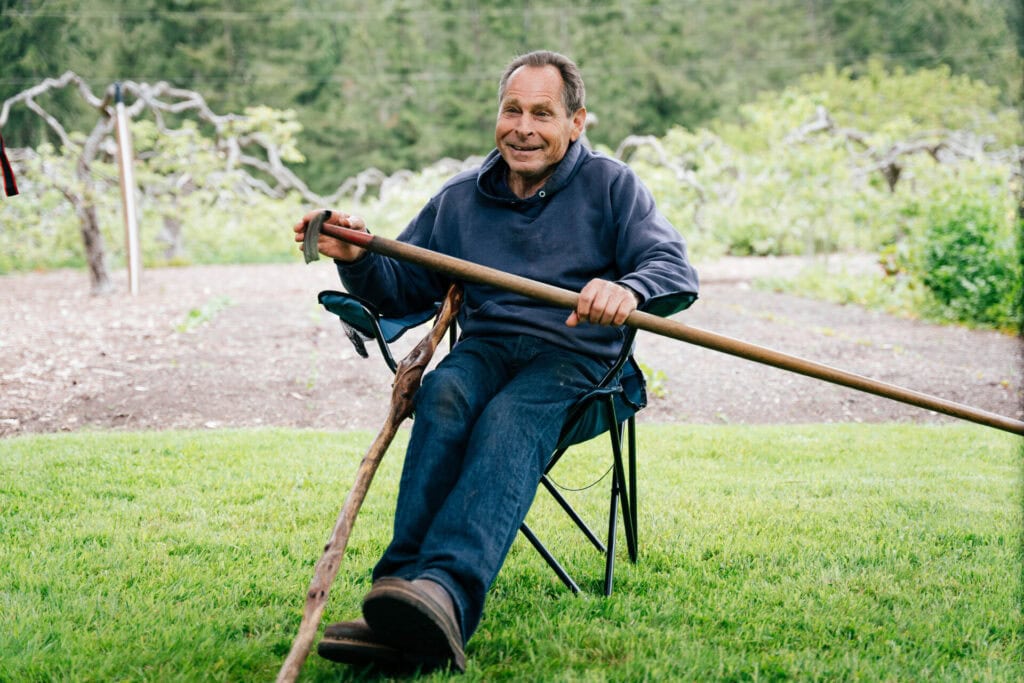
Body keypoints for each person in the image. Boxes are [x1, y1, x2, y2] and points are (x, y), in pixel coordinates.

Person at [293, 50, 699, 673]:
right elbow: (402, 287)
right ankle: (397, 596)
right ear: (497, 115)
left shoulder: (613, 187)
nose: (524, 128)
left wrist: (630, 289)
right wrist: (355, 257)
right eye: (513, 110)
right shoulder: (459, 199)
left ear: (576, 122)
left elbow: (672, 269)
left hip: (580, 365)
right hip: (484, 352)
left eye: (543, 112)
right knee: (447, 394)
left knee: (510, 417)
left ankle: (446, 595)